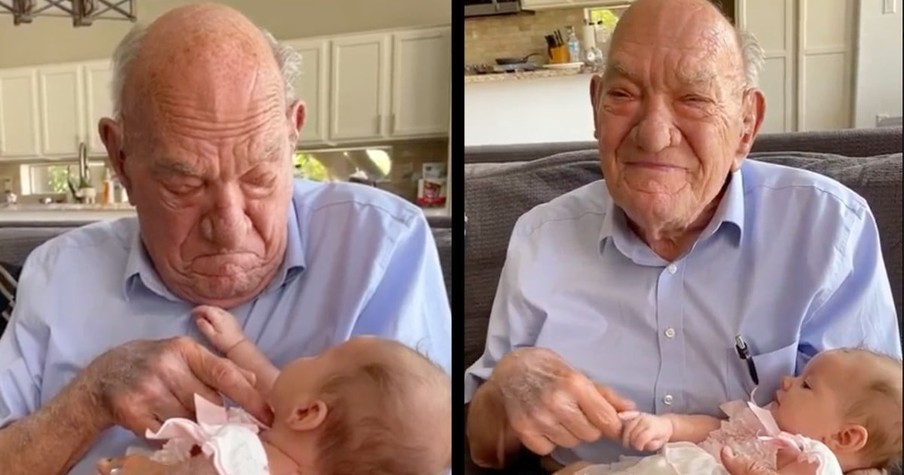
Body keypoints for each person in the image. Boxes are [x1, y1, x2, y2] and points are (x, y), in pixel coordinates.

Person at [0, 4, 450, 475]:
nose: (231, 226)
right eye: (185, 185)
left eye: (258, 175)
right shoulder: (57, 274)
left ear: (293, 133)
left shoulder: (381, 246)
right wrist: (88, 401)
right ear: (120, 158)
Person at [463, 0, 901, 474]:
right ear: (596, 107)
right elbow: (482, 450)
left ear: (746, 125)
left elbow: (874, 448)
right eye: (624, 94)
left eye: (693, 99)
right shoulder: (539, 237)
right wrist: (504, 392)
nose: (653, 135)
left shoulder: (828, 229)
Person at [97, 306, 452, 475]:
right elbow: (274, 385)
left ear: (307, 414)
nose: (302, 358)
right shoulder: (287, 438)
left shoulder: (245, 462)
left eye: (320, 356)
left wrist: (135, 468)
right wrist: (237, 345)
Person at [554, 348, 902, 474]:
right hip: (663, 466)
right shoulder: (764, 419)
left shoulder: (817, 460)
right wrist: (668, 426)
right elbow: (712, 427)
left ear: (846, 436)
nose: (786, 380)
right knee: (578, 470)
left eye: (806, 385)